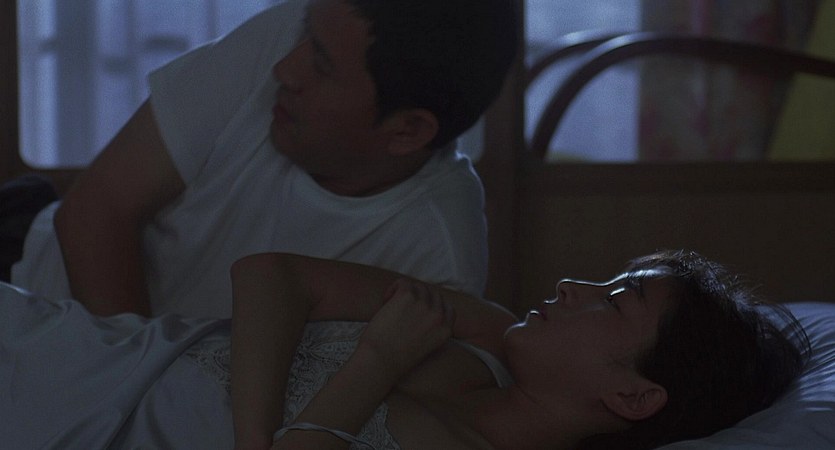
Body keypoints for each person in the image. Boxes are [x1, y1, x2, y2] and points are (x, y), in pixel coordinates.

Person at [7, 0, 518, 318]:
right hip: (25, 276)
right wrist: (131, 394)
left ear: (407, 131)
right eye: (304, 34)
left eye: (321, 65)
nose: (285, 68)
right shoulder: (294, 32)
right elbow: (96, 211)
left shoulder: (436, 262)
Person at [0, 250, 808, 449]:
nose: (573, 284)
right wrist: (257, 440)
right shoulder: (484, 331)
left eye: (616, 299)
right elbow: (269, 274)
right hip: (62, 344)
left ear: (631, 395)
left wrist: (377, 364)